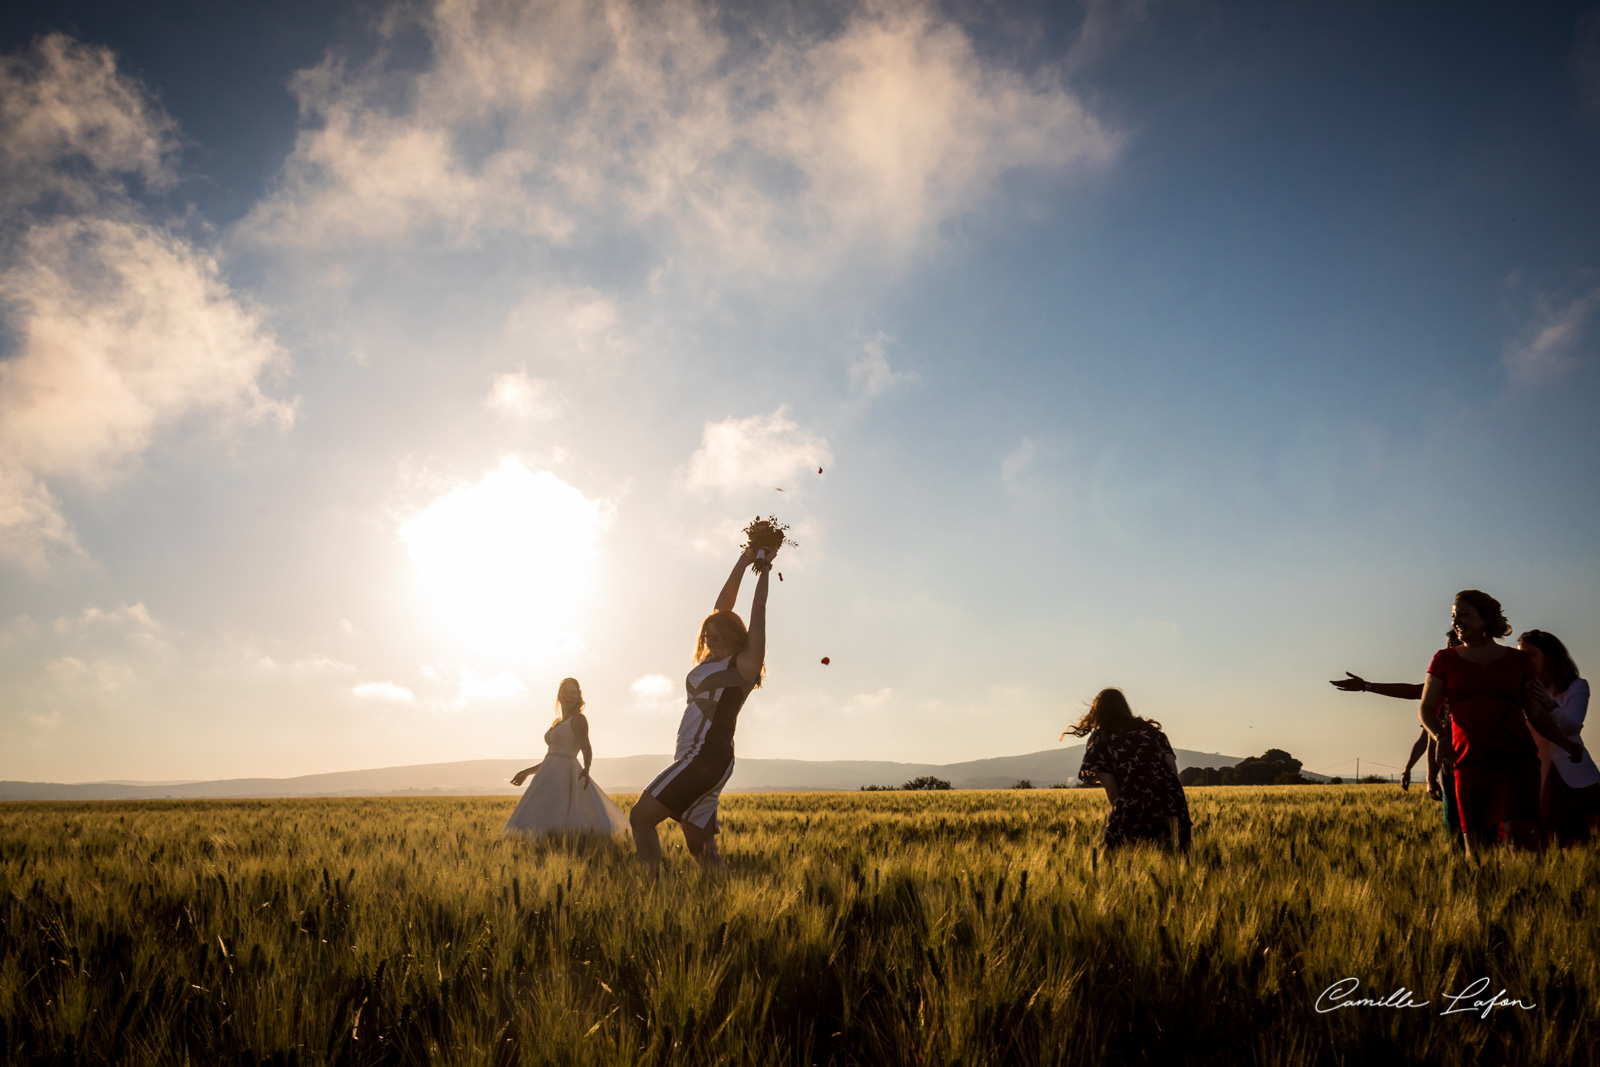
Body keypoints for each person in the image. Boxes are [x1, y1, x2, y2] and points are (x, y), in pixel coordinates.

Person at [630, 545, 773, 872]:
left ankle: (655, 895)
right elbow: (720, 609)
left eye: (716, 637)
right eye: (707, 637)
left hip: (705, 757)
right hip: (698, 757)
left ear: (736, 637)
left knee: (641, 817)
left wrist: (764, 569)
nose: (709, 641)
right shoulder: (713, 658)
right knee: (701, 850)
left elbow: (759, 611)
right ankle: (732, 902)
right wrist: (744, 559)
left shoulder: (742, 667)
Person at [1418, 591, 1581, 856]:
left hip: (1517, 761)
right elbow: (1426, 709)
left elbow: (1537, 715)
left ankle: (1530, 895)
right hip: (1469, 764)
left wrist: (1565, 741)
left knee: (1523, 843)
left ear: (1486, 619)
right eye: (1453, 616)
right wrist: (1441, 738)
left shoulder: (1518, 661)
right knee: (1478, 852)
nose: (1456, 621)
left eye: (1464, 615)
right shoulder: (1443, 660)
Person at [1330, 630, 1462, 840]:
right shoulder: (1442, 685)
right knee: (1457, 832)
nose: (1450, 650)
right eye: (1449, 645)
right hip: (1451, 766)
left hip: (1488, 761)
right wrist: (1426, 775)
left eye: (1455, 644)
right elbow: (1427, 734)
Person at [1065, 688, 1192, 852]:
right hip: (1172, 804)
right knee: (1175, 857)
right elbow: (1173, 773)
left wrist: (1121, 816)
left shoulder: (1102, 739)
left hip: (1133, 805)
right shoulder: (1153, 733)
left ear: (1098, 711)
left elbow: (1112, 791)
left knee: (1112, 860)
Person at [503, 678, 629, 837]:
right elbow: (551, 759)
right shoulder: (557, 722)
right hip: (547, 776)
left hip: (567, 775)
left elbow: (586, 746)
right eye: (565, 691)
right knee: (537, 817)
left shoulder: (578, 719)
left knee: (564, 817)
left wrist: (587, 767)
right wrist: (527, 772)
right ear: (559, 695)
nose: (569, 695)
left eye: (573, 692)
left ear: (578, 696)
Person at [1516, 629, 1599, 846]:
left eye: (1530, 654)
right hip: (1532, 772)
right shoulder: (1519, 689)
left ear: (1550, 656)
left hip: (1571, 778)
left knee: (1576, 842)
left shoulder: (1577, 686)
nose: (1523, 660)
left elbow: (1573, 727)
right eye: (1519, 655)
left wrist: (1549, 704)